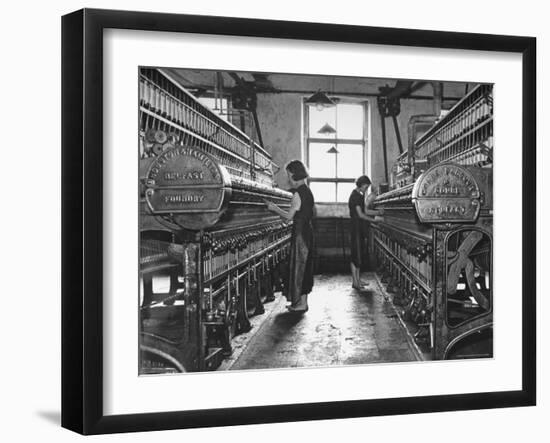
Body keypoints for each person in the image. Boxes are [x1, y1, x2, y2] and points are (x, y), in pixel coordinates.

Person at [265, 160, 314, 313]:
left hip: (300, 234)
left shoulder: (298, 193)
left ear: (293, 174)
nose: (288, 178)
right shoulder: (308, 191)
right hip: (307, 232)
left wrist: (274, 208)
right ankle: (302, 303)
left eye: (288, 175)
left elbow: (288, 217)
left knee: (299, 267)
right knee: (304, 268)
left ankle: (299, 304)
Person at [348, 175, 382, 290]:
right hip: (356, 228)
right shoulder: (355, 196)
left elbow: (365, 210)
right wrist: (375, 220)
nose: (366, 189)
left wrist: (378, 212)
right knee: (355, 255)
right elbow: (360, 215)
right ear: (361, 185)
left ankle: (358, 280)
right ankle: (355, 282)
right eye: (366, 187)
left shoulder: (360, 195)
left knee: (359, 254)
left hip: (360, 228)